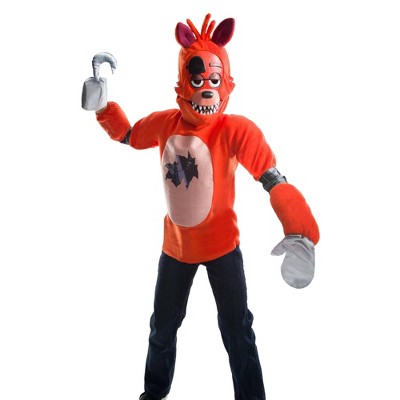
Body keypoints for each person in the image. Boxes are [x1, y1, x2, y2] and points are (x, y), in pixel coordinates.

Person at [82, 13, 319, 400]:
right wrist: (102, 104)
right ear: (183, 82)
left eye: (213, 80)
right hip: (176, 248)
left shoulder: (235, 129)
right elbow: (127, 134)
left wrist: (298, 228)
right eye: (197, 81)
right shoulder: (165, 123)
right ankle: (153, 394)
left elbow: (271, 176)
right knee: (162, 327)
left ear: (226, 82)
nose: (206, 90)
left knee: (237, 330)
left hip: (223, 247)